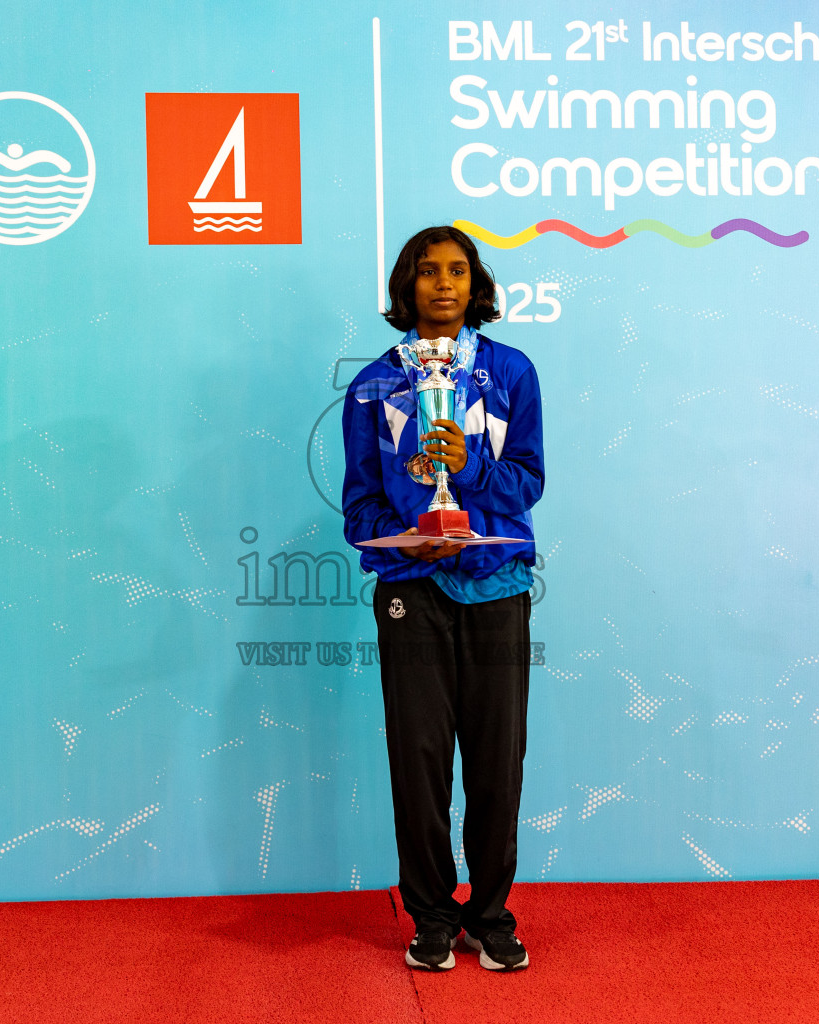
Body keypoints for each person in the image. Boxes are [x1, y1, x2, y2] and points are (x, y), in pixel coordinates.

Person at [341, 226, 544, 971]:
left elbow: (528, 481)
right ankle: (429, 915)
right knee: (418, 761)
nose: (444, 284)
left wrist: (475, 472)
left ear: (477, 284)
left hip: (497, 587)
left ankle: (490, 916)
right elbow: (358, 509)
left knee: (497, 759)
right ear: (406, 286)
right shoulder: (372, 385)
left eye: (458, 271)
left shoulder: (513, 372)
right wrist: (405, 538)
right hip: (410, 594)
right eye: (428, 272)